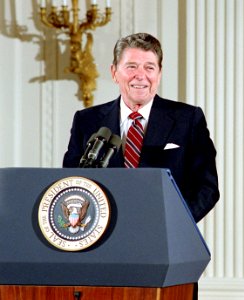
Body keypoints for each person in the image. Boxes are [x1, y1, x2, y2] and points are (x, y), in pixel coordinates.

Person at [63, 32, 220, 224]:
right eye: (131, 67)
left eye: (149, 67)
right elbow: (71, 182)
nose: (141, 75)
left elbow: (206, 187)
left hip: (165, 236)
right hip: (101, 236)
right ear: (114, 72)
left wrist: (174, 224)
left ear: (159, 74)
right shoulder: (87, 120)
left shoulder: (188, 119)